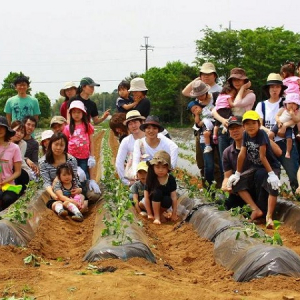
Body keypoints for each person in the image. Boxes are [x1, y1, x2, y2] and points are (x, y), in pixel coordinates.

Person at [227, 111, 281, 229]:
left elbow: (262, 156)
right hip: (256, 166)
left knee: (273, 186)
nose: (250, 126)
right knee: (237, 183)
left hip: (271, 166)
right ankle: (255, 209)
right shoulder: (246, 134)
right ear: (244, 126)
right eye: (247, 124)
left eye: (253, 123)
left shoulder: (262, 134)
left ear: (259, 123)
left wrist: (272, 174)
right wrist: (237, 173)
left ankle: (269, 217)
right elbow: (242, 154)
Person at [255, 73, 299, 191]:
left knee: (294, 175)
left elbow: (297, 118)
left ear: (281, 89)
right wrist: (272, 132)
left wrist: (284, 126)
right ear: (268, 89)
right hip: (268, 143)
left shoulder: (289, 102)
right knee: (269, 175)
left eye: (277, 87)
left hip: (286, 142)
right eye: (272, 87)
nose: (275, 89)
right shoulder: (261, 105)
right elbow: (258, 124)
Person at [212, 68, 256, 158]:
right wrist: (223, 120)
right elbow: (214, 110)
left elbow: (237, 103)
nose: (236, 82)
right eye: (234, 80)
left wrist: (243, 88)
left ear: (245, 80)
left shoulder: (250, 95)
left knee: (237, 159)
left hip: (239, 130)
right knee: (224, 160)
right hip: (224, 130)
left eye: (239, 79)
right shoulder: (229, 93)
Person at [39, 133, 83, 213]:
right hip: (56, 191)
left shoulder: (71, 160)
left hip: (70, 191)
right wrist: (53, 195)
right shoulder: (43, 162)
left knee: (81, 200)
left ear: (65, 146)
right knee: (55, 203)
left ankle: (75, 209)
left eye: (62, 145)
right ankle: (63, 209)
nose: (58, 148)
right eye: (56, 144)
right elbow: (46, 182)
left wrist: (79, 189)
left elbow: (75, 178)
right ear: (50, 144)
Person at [63, 101, 99, 196]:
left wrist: (92, 156)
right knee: (73, 176)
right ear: (70, 114)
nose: (76, 115)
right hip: (72, 158)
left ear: (83, 113)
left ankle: (83, 193)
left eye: (79, 112)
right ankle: (73, 194)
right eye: (74, 112)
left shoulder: (87, 126)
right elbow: (65, 144)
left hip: (84, 157)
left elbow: (91, 142)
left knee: (84, 177)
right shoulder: (67, 128)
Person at [144, 150, 178, 225]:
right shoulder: (150, 178)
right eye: (157, 167)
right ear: (153, 167)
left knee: (167, 199)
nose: (160, 170)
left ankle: (160, 214)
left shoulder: (171, 179)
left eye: (163, 167)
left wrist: (174, 213)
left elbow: (174, 197)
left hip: (163, 205)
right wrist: (149, 213)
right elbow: (146, 197)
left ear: (168, 168)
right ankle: (157, 217)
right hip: (150, 203)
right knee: (157, 192)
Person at [115, 110, 145, 185]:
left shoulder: (149, 138)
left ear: (142, 123)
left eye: (135, 122)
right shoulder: (126, 141)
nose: (133, 126)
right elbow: (119, 162)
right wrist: (126, 182)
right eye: (130, 124)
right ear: (128, 127)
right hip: (134, 178)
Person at [0, 116, 22, 211]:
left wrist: (4, 182)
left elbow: (18, 172)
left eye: (2, 127)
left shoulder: (14, 148)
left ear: (6, 129)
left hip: (8, 184)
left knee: (7, 199)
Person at [269, 93, 300, 158]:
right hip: (279, 124)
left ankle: (288, 152)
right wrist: (278, 121)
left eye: (294, 103)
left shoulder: (297, 112)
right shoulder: (283, 109)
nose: (291, 105)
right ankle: (271, 146)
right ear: (285, 104)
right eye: (289, 103)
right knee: (270, 134)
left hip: (289, 127)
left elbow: (296, 120)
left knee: (289, 139)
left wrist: (292, 115)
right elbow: (277, 116)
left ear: (297, 105)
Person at [10, 120, 36, 193]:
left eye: (22, 132)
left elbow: (17, 161)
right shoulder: (4, 141)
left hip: (20, 169)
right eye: (17, 130)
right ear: (11, 129)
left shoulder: (22, 143)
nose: (19, 134)